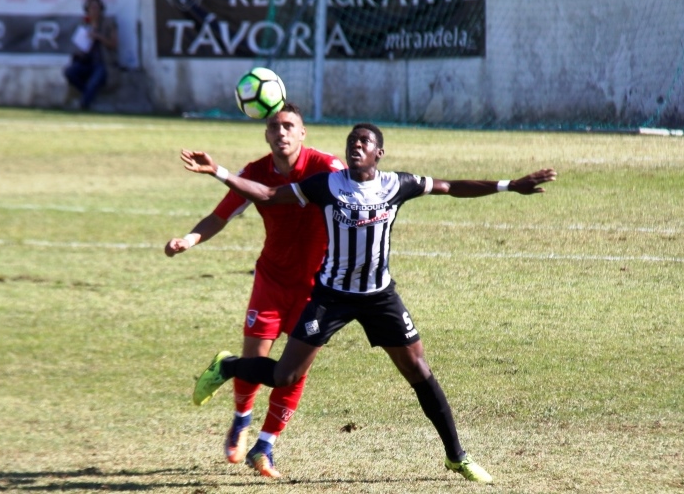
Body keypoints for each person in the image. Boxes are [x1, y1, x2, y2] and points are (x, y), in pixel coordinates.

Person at [184, 123, 557, 483]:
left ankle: (457, 456)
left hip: (380, 297)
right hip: (332, 297)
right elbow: (266, 195)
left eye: (364, 141)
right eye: (351, 141)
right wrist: (218, 171)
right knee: (285, 375)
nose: (356, 145)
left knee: (419, 371)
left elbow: (451, 186)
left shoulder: (398, 184)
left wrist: (510, 186)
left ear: (379, 152)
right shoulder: (326, 185)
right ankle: (230, 365)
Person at [165, 102, 344, 478]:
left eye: (289, 126)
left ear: (302, 133)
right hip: (272, 281)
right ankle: (241, 419)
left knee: (294, 371)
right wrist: (189, 239)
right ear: (266, 134)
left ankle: (265, 446)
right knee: (254, 357)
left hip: (317, 289)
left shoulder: (326, 167)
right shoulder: (255, 173)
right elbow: (219, 215)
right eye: (275, 126)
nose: (282, 132)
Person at [64, 0, 118, 110]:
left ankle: (84, 103)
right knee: (70, 72)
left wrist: (98, 37)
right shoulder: (83, 24)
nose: (94, 11)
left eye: (96, 8)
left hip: (103, 63)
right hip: (86, 62)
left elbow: (114, 44)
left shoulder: (108, 23)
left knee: (95, 80)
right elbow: (77, 46)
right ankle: (87, 95)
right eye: (91, 8)